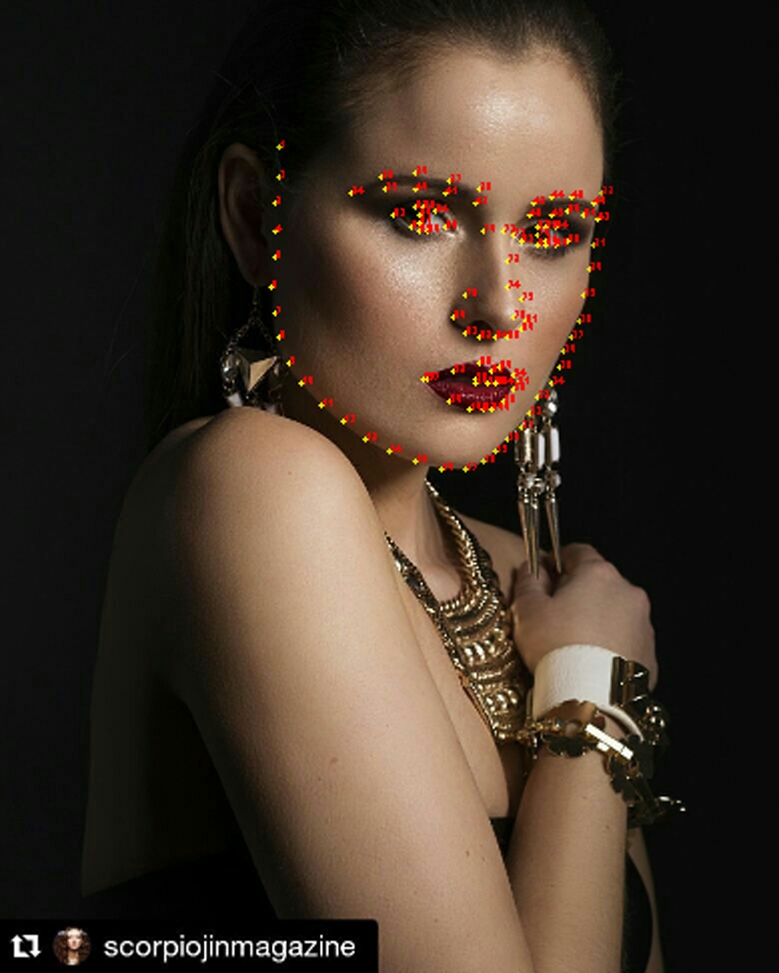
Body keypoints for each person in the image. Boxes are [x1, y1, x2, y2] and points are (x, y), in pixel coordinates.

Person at [81, 2, 679, 970]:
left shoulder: (534, 588)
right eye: (420, 216)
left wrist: (581, 672)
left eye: (551, 230)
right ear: (255, 217)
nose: (497, 306)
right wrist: (589, 699)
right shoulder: (251, 484)